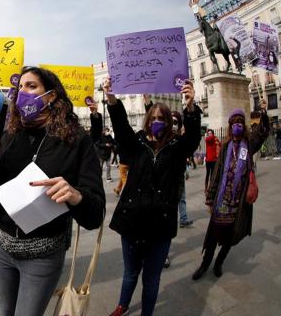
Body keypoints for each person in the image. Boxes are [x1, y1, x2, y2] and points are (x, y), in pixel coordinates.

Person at [0, 66, 105, 316]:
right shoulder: (11, 135)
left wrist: (76, 196)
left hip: (43, 256)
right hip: (2, 250)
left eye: (31, 86)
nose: (23, 93)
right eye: (19, 89)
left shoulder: (76, 140)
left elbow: (95, 214)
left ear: (50, 96)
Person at [104, 78, 201, 316]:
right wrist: (112, 100)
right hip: (132, 221)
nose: (157, 122)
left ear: (168, 123)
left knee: (152, 278)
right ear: (148, 121)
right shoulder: (136, 142)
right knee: (129, 273)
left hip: (160, 224)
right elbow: (121, 127)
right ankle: (122, 305)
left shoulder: (177, 146)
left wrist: (190, 107)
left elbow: (193, 138)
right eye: (154, 118)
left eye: (162, 119)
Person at [193, 101, 269, 280]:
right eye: (234, 122)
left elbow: (263, 132)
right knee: (212, 237)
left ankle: (219, 263)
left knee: (229, 237)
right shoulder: (226, 146)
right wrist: (210, 198)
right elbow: (217, 174)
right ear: (230, 126)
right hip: (221, 202)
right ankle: (205, 265)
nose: (237, 125)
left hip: (238, 203)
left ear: (243, 126)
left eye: (240, 122)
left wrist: (263, 112)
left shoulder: (248, 144)